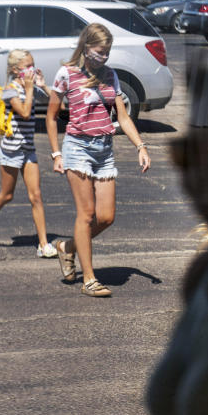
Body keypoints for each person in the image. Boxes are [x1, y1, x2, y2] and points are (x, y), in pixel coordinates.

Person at [45, 23, 151, 297]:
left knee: (106, 217)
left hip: (104, 148)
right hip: (77, 147)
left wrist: (140, 145)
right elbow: (51, 116)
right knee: (87, 214)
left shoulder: (111, 76)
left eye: (107, 52)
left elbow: (123, 116)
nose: (104, 57)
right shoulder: (66, 74)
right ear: (86, 47)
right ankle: (89, 279)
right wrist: (56, 153)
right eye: (100, 51)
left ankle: (67, 247)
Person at [0, 49, 57, 258]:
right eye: (28, 66)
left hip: (28, 149)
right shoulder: (9, 90)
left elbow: (55, 103)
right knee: (6, 195)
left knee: (36, 196)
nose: (31, 69)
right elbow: (25, 114)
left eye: (33, 65)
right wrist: (28, 89)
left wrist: (42, 84)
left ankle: (44, 244)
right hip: (11, 150)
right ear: (16, 70)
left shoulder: (31, 87)